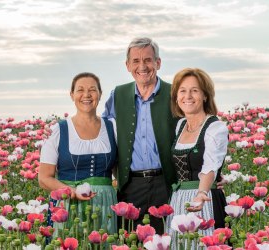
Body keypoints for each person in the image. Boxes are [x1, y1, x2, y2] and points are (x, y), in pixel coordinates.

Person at [102, 37, 177, 234]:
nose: (142, 66)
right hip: (130, 184)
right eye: (135, 61)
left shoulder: (174, 94)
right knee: (131, 240)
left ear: (158, 63)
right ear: (127, 65)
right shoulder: (117, 95)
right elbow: (103, 134)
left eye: (148, 60)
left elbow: (196, 131)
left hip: (167, 183)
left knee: (166, 241)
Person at [39, 72, 118, 235]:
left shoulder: (112, 128)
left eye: (92, 90)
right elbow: (44, 178)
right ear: (72, 95)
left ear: (100, 94)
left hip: (105, 206)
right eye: (80, 90)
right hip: (67, 206)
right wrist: (71, 192)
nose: (86, 95)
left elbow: (120, 168)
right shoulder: (58, 130)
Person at [166, 68, 228, 247]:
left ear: (205, 95)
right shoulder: (180, 126)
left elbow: (210, 166)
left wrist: (201, 194)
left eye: (195, 90)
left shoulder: (215, 128)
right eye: (183, 91)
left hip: (205, 199)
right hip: (179, 200)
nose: (188, 96)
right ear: (177, 97)